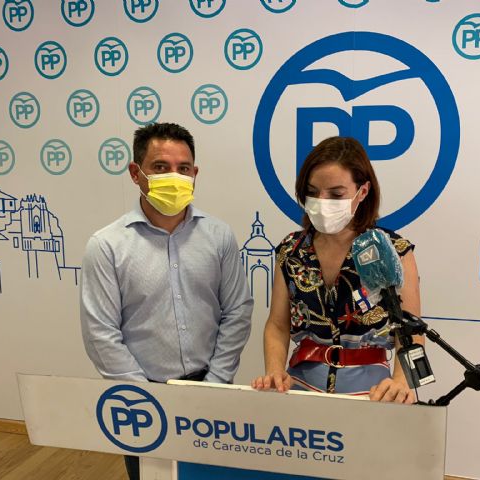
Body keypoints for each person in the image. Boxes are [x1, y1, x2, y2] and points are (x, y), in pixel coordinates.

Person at [80, 122, 253, 479]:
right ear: (136, 173)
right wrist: (142, 399)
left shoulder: (219, 236)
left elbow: (237, 311)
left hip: (212, 390)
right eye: (160, 167)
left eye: (183, 168)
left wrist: (216, 383)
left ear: (195, 174)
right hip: (142, 400)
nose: (174, 176)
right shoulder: (107, 245)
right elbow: (101, 332)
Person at [252, 136, 422, 403]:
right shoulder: (290, 251)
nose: (321, 201)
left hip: (373, 394)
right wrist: (274, 371)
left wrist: (403, 381)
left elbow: (411, 330)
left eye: (335, 194)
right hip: (300, 388)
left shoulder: (394, 250)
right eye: (312, 192)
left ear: (362, 192)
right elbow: (277, 324)